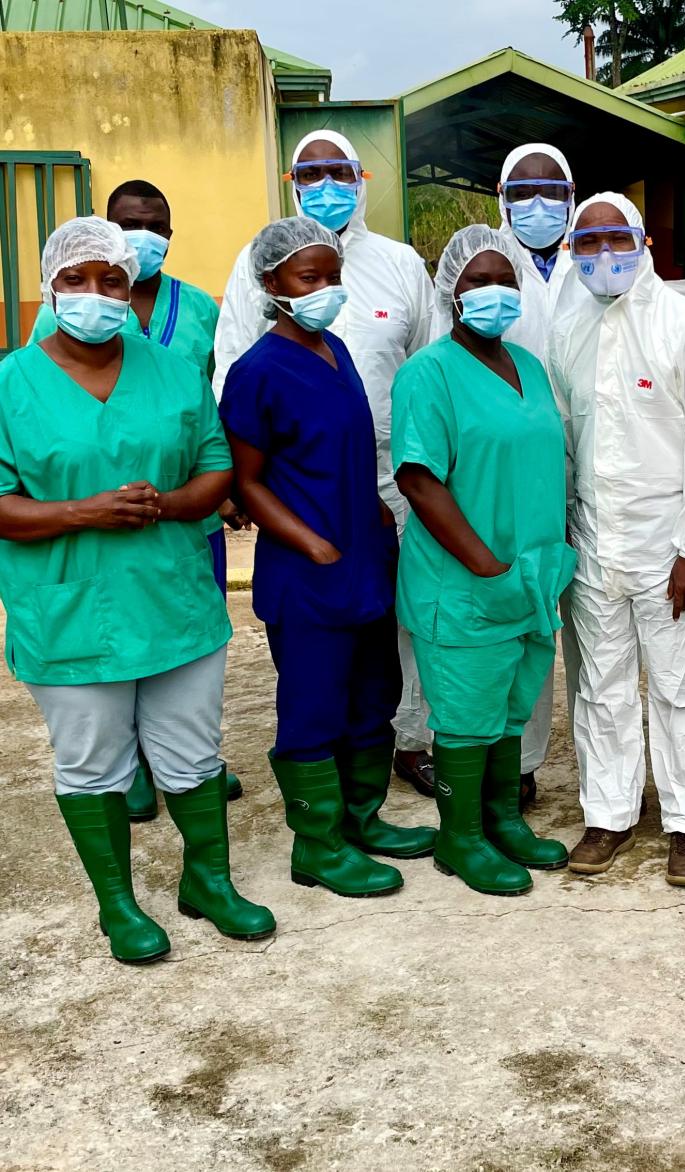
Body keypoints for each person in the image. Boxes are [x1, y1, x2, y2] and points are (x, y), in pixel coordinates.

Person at [0, 217, 272, 963]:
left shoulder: (172, 371)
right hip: (69, 610)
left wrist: (182, 504)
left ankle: (207, 882)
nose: (95, 295)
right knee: (93, 765)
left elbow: (216, 462)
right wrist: (84, 512)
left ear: (130, 288)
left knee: (191, 753)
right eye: (77, 281)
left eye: (111, 281)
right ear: (50, 289)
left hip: (173, 597)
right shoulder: (9, 383)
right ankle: (117, 905)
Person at [213, 129, 438, 797]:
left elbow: (425, 367)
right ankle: (320, 830)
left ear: (363, 177)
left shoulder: (373, 296)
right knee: (316, 672)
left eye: (339, 170)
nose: (327, 183)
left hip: (381, 490)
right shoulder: (262, 349)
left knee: (387, 650)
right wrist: (298, 531)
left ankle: (389, 772)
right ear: (272, 283)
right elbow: (233, 380)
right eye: (311, 172)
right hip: (302, 502)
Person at [32, 179, 243, 819]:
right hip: (81, 536)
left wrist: (208, 492)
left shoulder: (197, 310)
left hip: (183, 517)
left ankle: (180, 765)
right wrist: (84, 507)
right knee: (106, 670)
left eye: (154, 226)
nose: (141, 236)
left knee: (180, 653)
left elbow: (211, 402)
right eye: (129, 223)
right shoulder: (47, 329)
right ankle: (130, 773)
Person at [549, 193, 685, 886]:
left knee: (682, 687)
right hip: (595, 540)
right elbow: (566, 442)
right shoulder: (568, 332)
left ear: (644, 242)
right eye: (587, 242)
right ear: (571, 253)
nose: (603, 255)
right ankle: (610, 813)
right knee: (600, 687)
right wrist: (568, 537)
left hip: (672, 541)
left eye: (616, 238)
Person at [392, 226, 575, 897]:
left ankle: (501, 819)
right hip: (465, 582)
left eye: (504, 280)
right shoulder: (428, 374)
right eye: (477, 280)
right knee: (466, 716)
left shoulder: (529, 368)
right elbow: (419, 478)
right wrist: (488, 568)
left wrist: (524, 570)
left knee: (508, 708)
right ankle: (459, 837)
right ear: (450, 293)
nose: (493, 292)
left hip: (529, 576)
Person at [496, 142, 581, 810]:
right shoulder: (486, 267)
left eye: (551, 189)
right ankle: (519, 763)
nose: (538, 204)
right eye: (522, 191)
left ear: (573, 194)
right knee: (527, 625)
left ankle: (601, 767)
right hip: (518, 472)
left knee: (595, 628)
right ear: (501, 200)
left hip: (598, 466)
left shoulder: (604, 255)